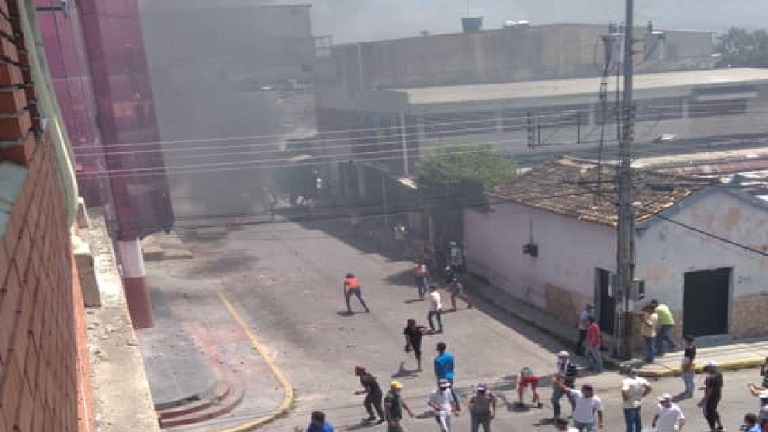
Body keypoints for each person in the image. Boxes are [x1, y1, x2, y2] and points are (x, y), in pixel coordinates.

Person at [621, 367, 651, 432]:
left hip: (629, 405)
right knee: (638, 423)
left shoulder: (626, 381)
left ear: (628, 373)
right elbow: (649, 388)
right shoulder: (641, 379)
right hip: (638, 403)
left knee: (630, 424)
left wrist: (626, 398)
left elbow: (624, 391)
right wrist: (643, 395)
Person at [697, 361, 724, 432]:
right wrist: (705, 387)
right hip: (717, 395)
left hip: (710, 398)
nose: (705, 369)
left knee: (708, 414)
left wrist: (703, 401)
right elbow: (717, 386)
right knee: (713, 410)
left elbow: (709, 391)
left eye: (707, 368)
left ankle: (713, 429)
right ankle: (720, 426)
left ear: (710, 368)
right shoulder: (719, 374)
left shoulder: (710, 378)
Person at [551, 351, 578, 420]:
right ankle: (557, 415)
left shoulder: (572, 366)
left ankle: (575, 413)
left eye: (560, 357)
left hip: (569, 385)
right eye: (559, 357)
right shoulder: (559, 364)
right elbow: (559, 372)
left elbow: (573, 378)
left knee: (572, 400)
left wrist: (561, 376)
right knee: (554, 399)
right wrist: (555, 378)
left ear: (565, 357)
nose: (559, 358)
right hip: (559, 384)